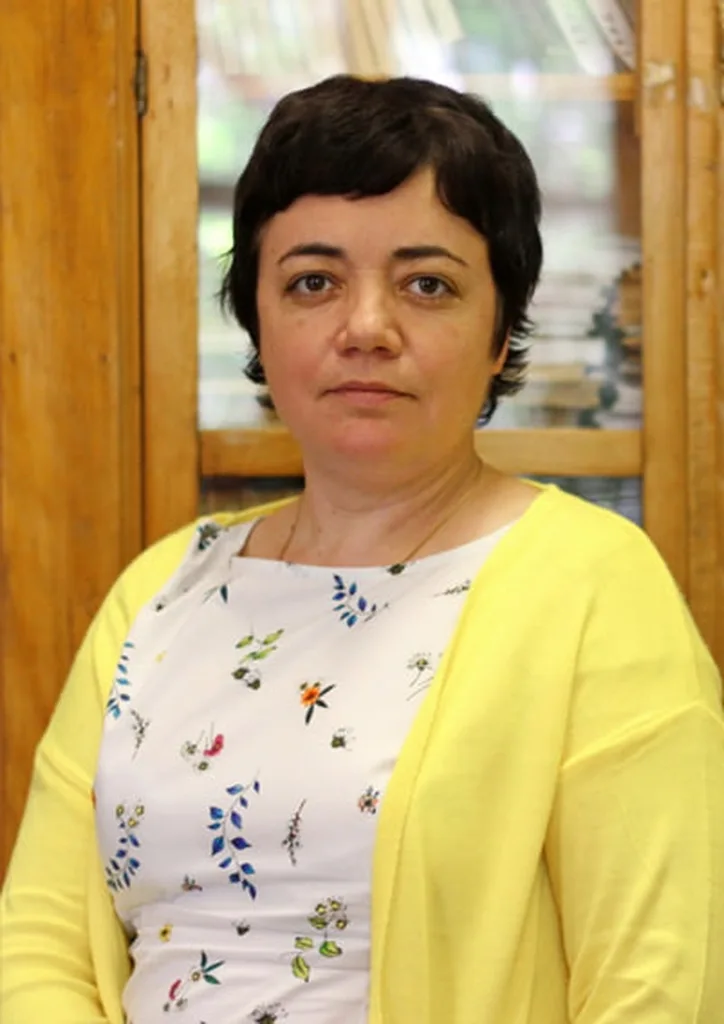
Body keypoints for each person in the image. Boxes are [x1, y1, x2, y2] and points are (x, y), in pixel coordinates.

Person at [2, 74, 723, 1024]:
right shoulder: (163, 589)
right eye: (314, 282)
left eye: (428, 284)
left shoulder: (595, 585)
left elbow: (659, 986)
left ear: (501, 332)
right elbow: (40, 941)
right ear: (257, 319)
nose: (367, 329)